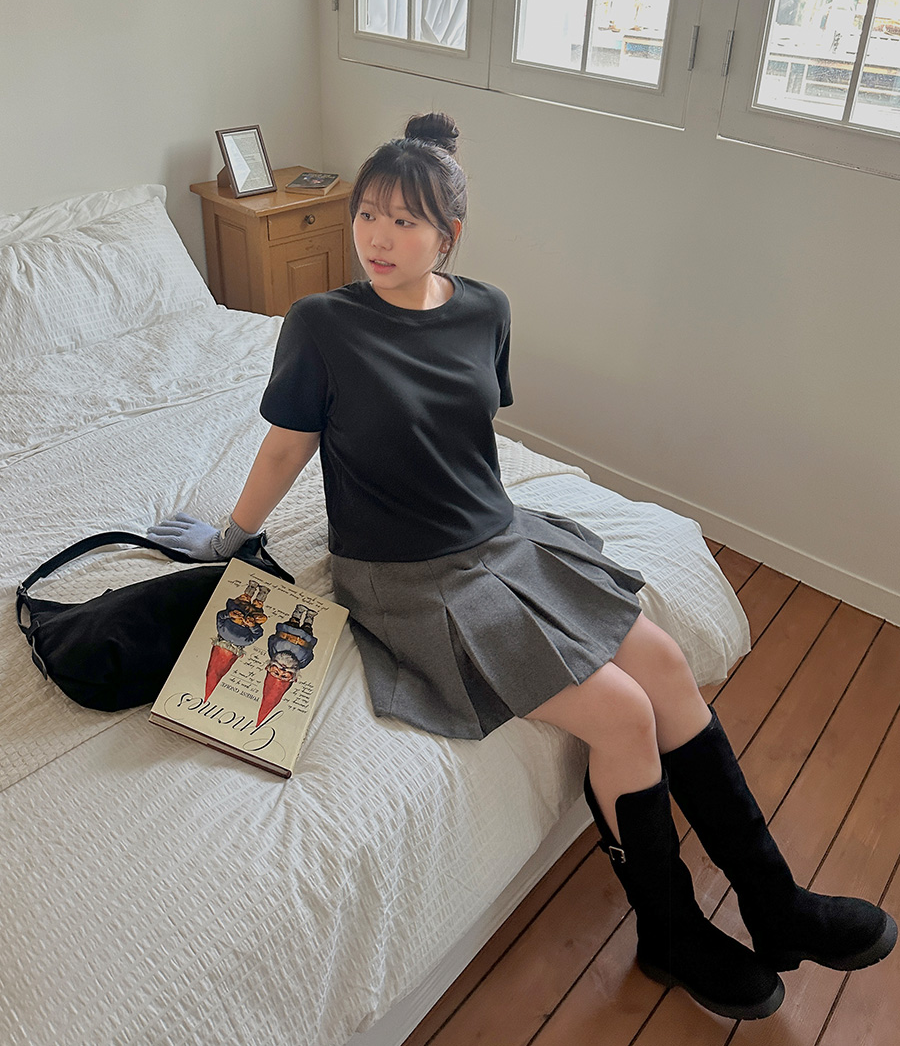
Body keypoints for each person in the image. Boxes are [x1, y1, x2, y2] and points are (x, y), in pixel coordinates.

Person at [149, 112, 896, 1020]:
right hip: (405, 572)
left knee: (662, 663)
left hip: (500, 537)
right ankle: (669, 930)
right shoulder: (322, 324)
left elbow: (468, 433)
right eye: (368, 214)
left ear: (448, 235)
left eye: (405, 220)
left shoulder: (486, 309)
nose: (378, 237)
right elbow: (285, 448)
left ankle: (775, 903)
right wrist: (230, 535)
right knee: (622, 711)